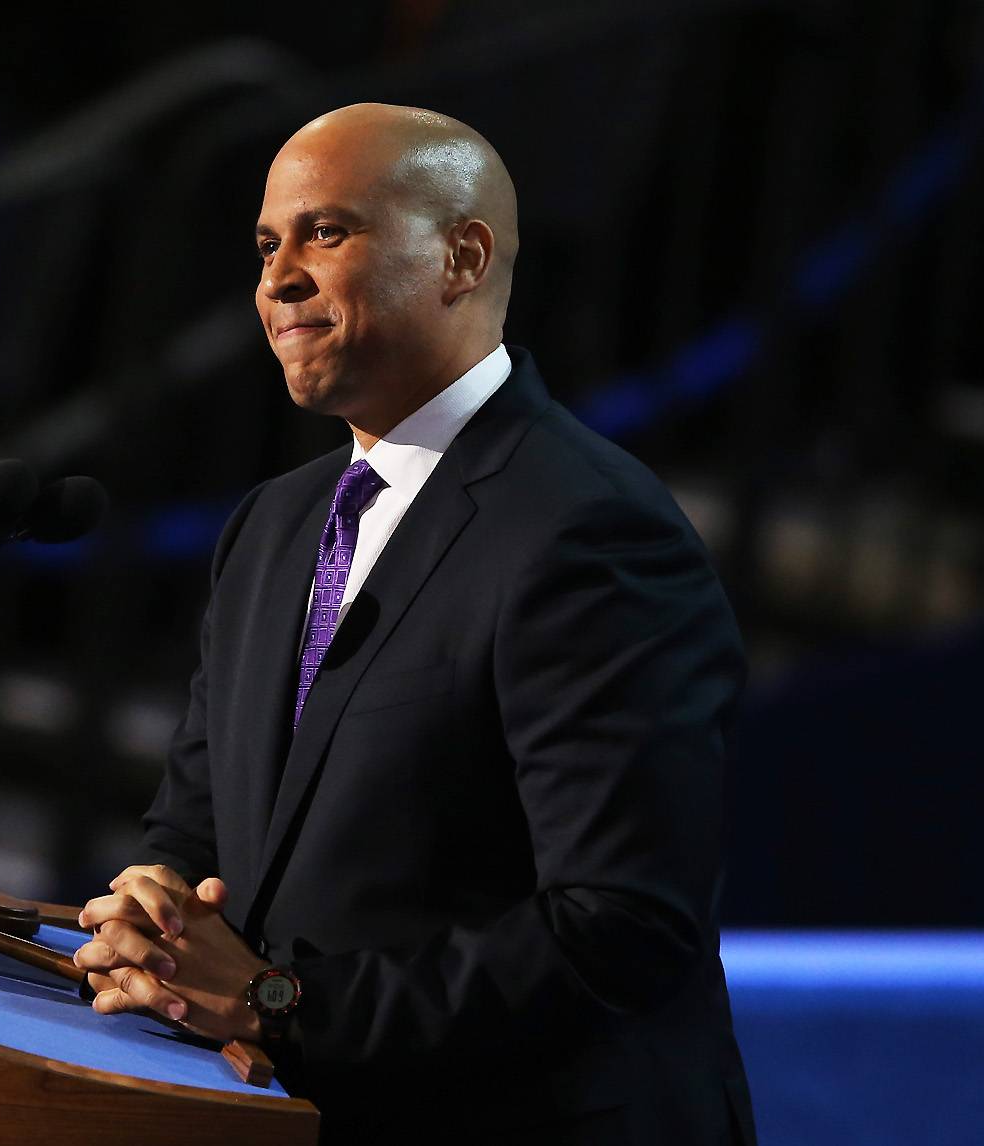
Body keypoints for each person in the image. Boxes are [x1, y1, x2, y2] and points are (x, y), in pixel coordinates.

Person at [74, 104, 756, 1144]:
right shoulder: (273, 525)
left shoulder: (589, 529)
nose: (278, 277)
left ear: (461, 256)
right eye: (267, 244)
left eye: (326, 232)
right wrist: (157, 905)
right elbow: (198, 817)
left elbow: (620, 927)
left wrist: (281, 1003)